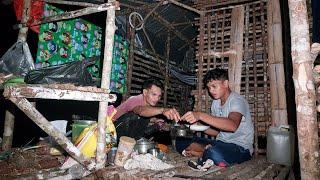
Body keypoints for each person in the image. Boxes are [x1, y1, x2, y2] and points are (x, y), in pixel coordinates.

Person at [177, 68, 254, 170]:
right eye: (209, 87)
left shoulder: (237, 100)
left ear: (226, 84)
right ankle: (205, 151)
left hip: (240, 148)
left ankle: (204, 153)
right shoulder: (216, 103)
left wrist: (200, 115)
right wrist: (199, 126)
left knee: (215, 153)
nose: (211, 90)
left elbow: (232, 126)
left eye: (214, 86)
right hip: (220, 143)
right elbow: (217, 132)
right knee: (181, 140)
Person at [113, 78, 180, 141]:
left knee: (154, 124)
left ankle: (136, 142)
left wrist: (155, 120)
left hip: (121, 128)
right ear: (145, 92)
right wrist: (162, 110)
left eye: (159, 96)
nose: (157, 99)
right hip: (111, 129)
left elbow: (144, 115)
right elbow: (140, 111)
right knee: (137, 116)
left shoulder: (147, 104)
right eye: (154, 94)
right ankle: (130, 143)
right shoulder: (136, 99)